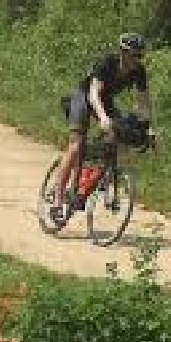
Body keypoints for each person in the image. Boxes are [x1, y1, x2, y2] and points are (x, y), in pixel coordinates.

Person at [50, 32, 154, 224]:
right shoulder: (107, 63)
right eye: (133, 55)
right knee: (76, 145)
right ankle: (57, 198)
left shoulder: (139, 71)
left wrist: (147, 127)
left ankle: (98, 176)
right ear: (122, 53)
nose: (136, 60)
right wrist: (103, 117)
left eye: (140, 55)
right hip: (84, 98)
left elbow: (143, 102)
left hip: (105, 101)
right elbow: (93, 93)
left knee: (120, 135)